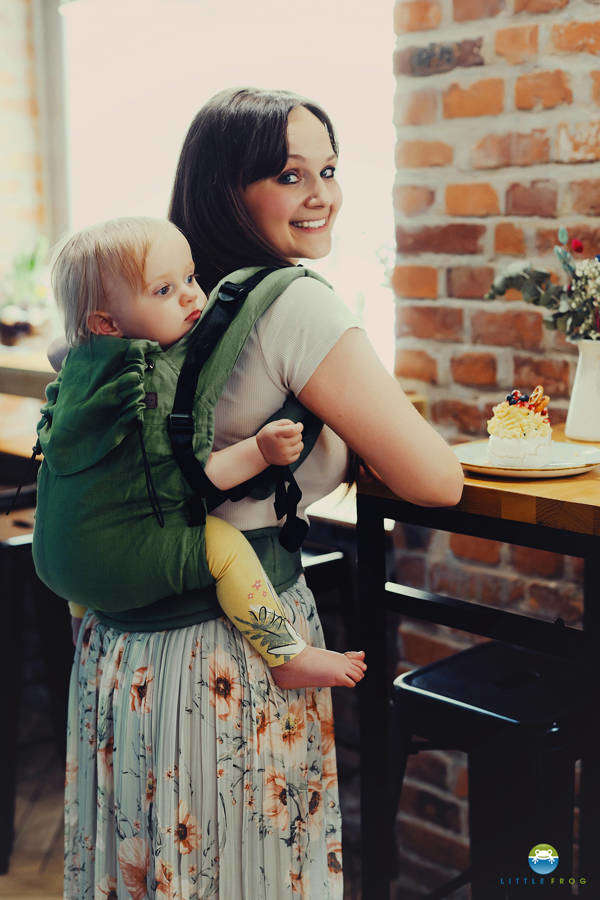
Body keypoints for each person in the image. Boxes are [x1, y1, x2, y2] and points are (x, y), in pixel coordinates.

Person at [63, 88, 464, 898]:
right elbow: (436, 479)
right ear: (228, 188)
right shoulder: (295, 301)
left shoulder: (166, 296)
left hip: (124, 650)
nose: (320, 194)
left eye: (329, 168)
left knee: (149, 875)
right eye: (289, 174)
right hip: (235, 652)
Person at [35, 216, 366, 690]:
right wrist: (259, 449)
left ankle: (80, 628)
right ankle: (284, 653)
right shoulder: (147, 386)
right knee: (225, 546)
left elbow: (59, 345)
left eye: (190, 278)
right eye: (164, 290)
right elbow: (196, 475)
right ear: (107, 324)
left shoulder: (77, 370)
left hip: (60, 562)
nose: (192, 296)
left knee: (89, 533)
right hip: (117, 561)